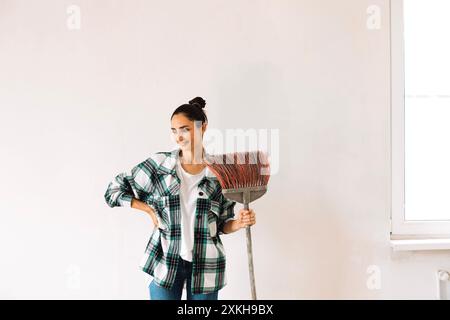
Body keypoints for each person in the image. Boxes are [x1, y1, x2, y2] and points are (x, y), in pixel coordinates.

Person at [104, 96, 256, 300]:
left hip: (206, 265)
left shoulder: (220, 172)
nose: (178, 136)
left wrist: (239, 223)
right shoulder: (160, 165)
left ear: (202, 127)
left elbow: (222, 225)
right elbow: (113, 190)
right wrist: (148, 209)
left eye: (185, 129)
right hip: (166, 261)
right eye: (174, 130)